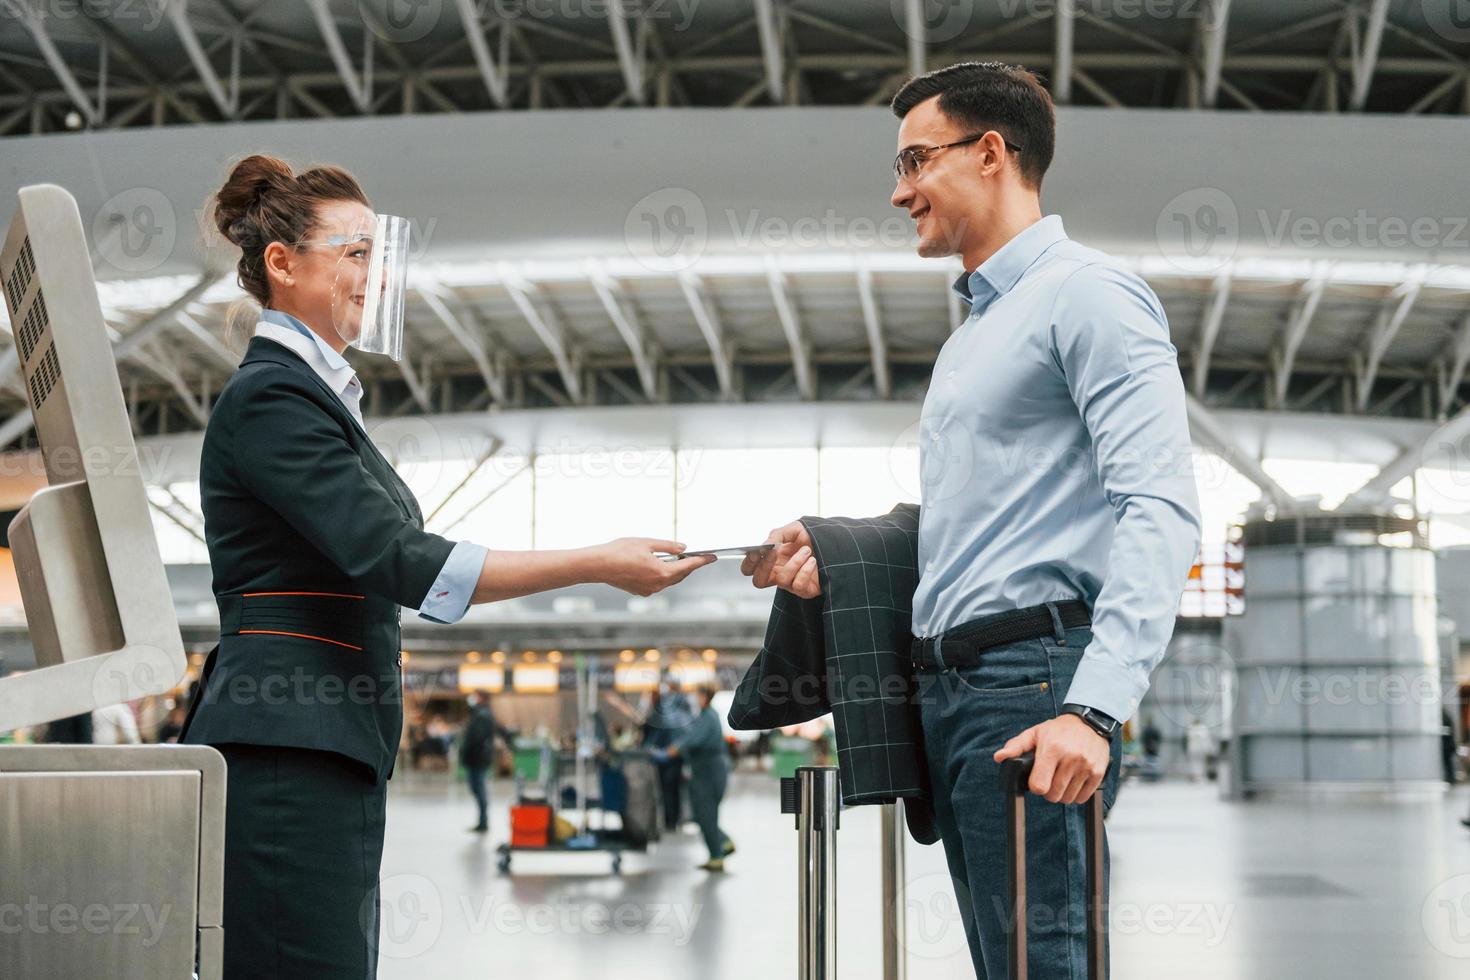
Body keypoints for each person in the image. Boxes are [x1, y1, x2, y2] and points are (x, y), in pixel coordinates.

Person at [178, 154, 715, 980]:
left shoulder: (315, 398)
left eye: (375, 254)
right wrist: (594, 562)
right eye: (354, 252)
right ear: (282, 265)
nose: (374, 275)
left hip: (324, 737)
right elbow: (400, 562)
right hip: (289, 742)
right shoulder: (274, 400)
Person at [744, 62, 1201, 978]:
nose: (898, 189)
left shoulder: (1089, 296)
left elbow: (1160, 503)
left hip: (1034, 689)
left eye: (916, 160)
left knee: (1042, 959)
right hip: (955, 691)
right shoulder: (975, 334)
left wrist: (1094, 709)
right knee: (1010, 962)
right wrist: (841, 549)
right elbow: (978, 528)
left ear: (992, 153)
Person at [654, 687, 734, 871]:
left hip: (709, 772)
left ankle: (717, 854)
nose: (694, 699)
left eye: (697, 696)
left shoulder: (708, 717)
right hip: (703, 770)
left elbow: (692, 740)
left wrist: (669, 752)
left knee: (705, 813)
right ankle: (721, 845)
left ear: (705, 697)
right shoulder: (703, 716)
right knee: (701, 814)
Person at [641, 676, 694, 831]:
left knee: (669, 790)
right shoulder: (680, 706)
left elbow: (664, 730)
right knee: (672, 790)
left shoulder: (672, 706)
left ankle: (671, 821)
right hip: (671, 755)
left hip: (671, 755)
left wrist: (654, 748)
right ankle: (672, 820)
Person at [461, 690, 515, 833]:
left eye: (476, 696)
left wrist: (468, 750)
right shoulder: (479, 713)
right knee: (477, 788)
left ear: (482, 698)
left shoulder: (483, 715)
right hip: (477, 757)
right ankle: (482, 821)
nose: (472, 698)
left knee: (479, 789)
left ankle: (483, 822)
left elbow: (476, 738)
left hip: (478, 758)